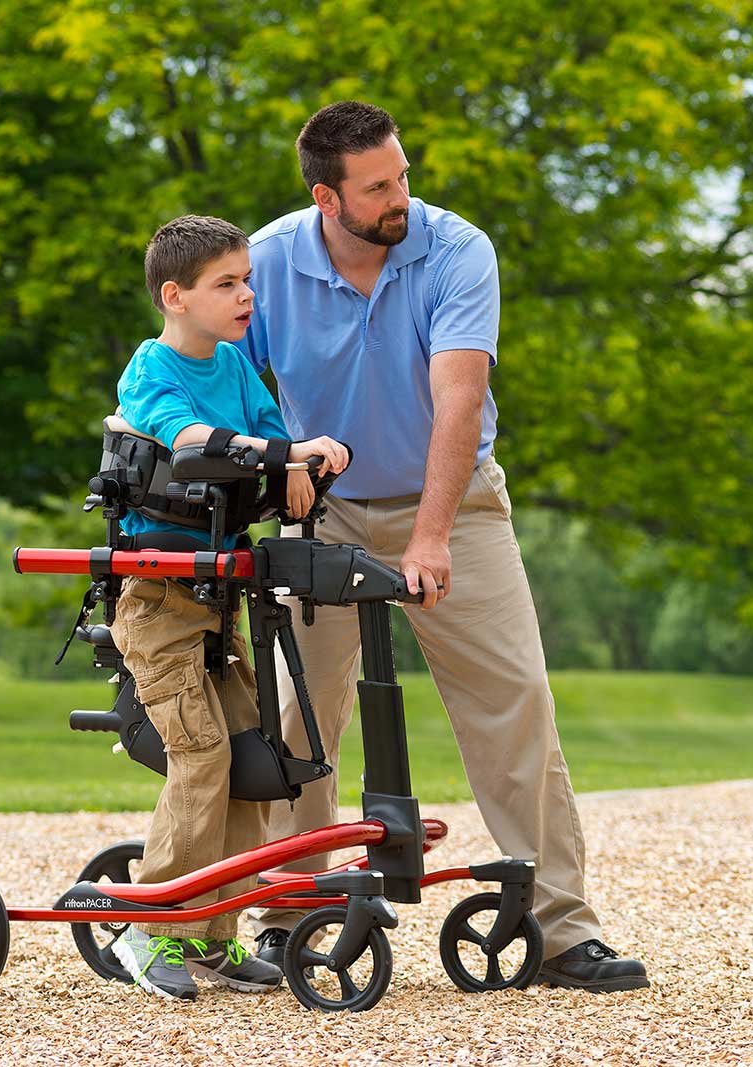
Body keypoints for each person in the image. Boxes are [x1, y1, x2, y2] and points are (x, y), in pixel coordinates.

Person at [237, 101, 649, 993]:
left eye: (404, 174)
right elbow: (233, 385)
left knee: (514, 698)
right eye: (378, 186)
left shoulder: (457, 248)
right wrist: (276, 474)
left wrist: (430, 536)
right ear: (326, 196)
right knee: (298, 714)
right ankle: (285, 914)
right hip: (324, 508)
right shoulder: (266, 261)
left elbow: (458, 398)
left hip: (454, 504)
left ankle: (557, 928)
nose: (402, 197)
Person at [108, 214, 350, 1001]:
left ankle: (213, 932)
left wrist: (308, 455)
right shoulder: (153, 369)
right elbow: (188, 441)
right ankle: (151, 927)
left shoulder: (241, 371)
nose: (248, 294)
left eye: (248, 280)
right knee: (203, 752)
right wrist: (275, 455)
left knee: (252, 762)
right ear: (176, 296)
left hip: (220, 603)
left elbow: (277, 436)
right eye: (228, 284)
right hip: (158, 603)